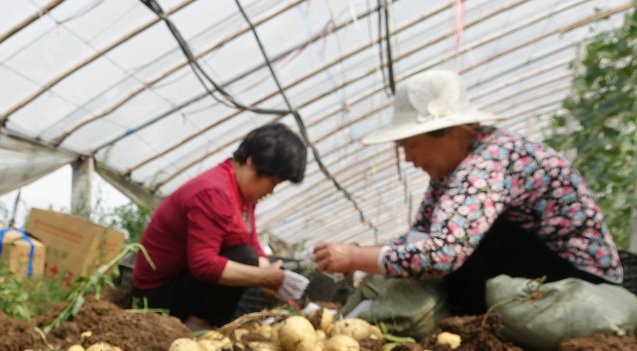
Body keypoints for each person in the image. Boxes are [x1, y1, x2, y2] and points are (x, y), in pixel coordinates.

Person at [314, 69, 623, 315]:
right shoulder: (452, 170)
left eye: (411, 145)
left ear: (447, 133)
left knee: (471, 238)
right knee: (452, 233)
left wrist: (355, 257)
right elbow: (420, 237)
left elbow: (442, 254)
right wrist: (363, 251)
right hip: (541, 266)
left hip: (582, 279)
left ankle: (469, 322)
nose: (408, 158)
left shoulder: (489, 163)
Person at [131, 122, 310, 328]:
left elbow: (251, 241)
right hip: (156, 297)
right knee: (246, 258)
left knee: (249, 255)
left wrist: (276, 275)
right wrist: (262, 276)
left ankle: (204, 323)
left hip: (183, 284)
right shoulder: (214, 192)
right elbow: (204, 264)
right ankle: (197, 326)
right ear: (251, 163)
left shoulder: (242, 195)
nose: (271, 191)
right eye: (272, 183)